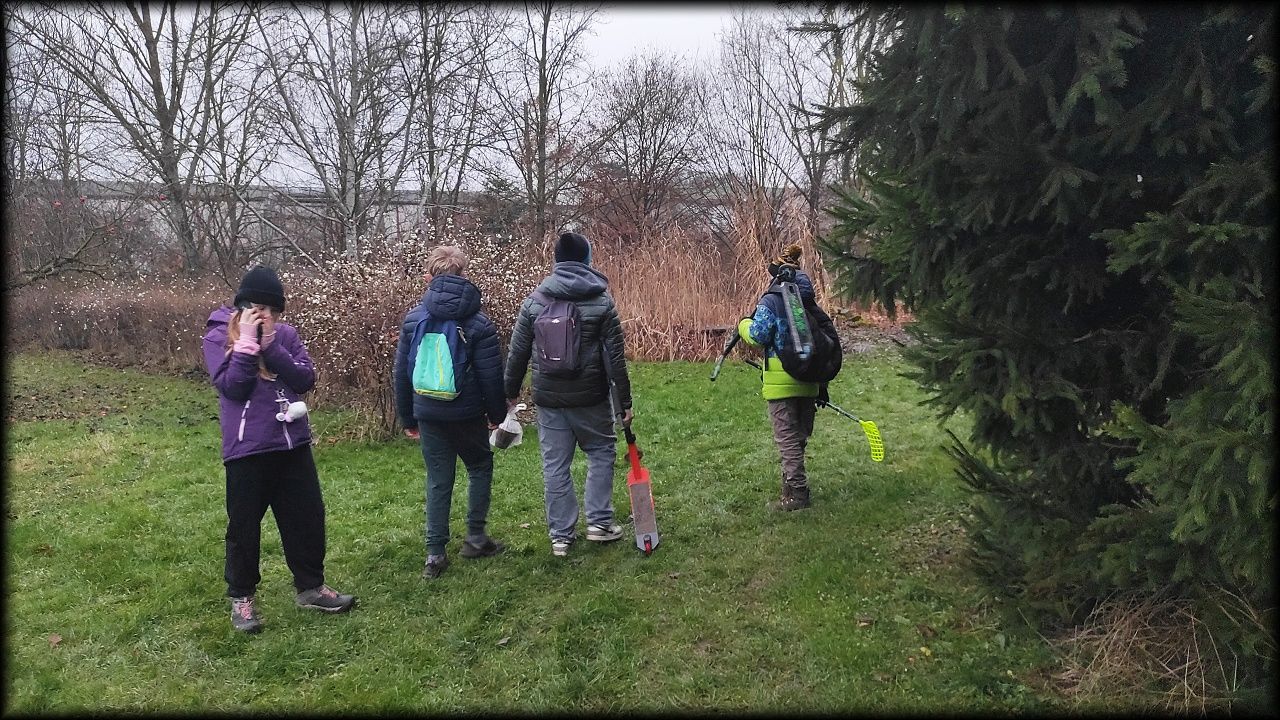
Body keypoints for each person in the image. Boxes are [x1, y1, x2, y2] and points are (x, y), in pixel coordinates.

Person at [201, 266, 356, 634]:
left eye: (273, 309)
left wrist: (272, 346)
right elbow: (233, 387)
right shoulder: (218, 336)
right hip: (247, 449)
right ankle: (242, 597)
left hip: (292, 444)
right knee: (244, 527)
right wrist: (247, 345)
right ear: (242, 306)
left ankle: (311, 587)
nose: (266, 315)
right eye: (258, 308)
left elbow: (305, 378)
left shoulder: (285, 335)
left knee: (307, 518)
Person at [504, 231, 633, 557]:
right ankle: (599, 523)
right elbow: (616, 359)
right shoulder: (602, 302)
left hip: (549, 399)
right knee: (601, 452)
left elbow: (517, 354)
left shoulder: (534, 302)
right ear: (587, 260)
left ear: (556, 261)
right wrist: (625, 404)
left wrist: (509, 394)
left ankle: (561, 537)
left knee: (555, 465)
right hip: (591, 397)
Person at [394, 245, 507, 579]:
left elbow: (402, 372)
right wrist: (496, 415)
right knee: (479, 466)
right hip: (467, 412)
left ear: (428, 277)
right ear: (463, 275)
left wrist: (408, 417)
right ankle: (476, 538)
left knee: (438, 479)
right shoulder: (479, 322)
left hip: (428, 412)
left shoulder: (414, 319)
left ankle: (435, 554)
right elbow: (490, 375)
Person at [736, 244, 826, 511]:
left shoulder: (772, 300)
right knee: (798, 438)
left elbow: (758, 335)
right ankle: (789, 488)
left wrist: (743, 324)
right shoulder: (808, 301)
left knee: (787, 439)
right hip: (809, 379)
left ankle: (798, 493)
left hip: (781, 382)